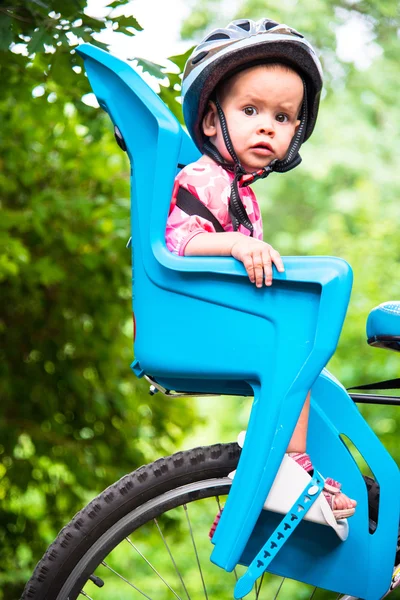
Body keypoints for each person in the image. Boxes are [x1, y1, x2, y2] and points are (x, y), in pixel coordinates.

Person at [166, 18, 356, 518]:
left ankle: (282, 465)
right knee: (295, 352)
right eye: (250, 110)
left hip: (224, 314)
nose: (268, 125)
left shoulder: (242, 195)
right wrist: (231, 244)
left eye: (283, 116)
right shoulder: (202, 178)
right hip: (197, 315)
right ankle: (285, 465)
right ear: (212, 122)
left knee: (306, 365)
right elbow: (179, 242)